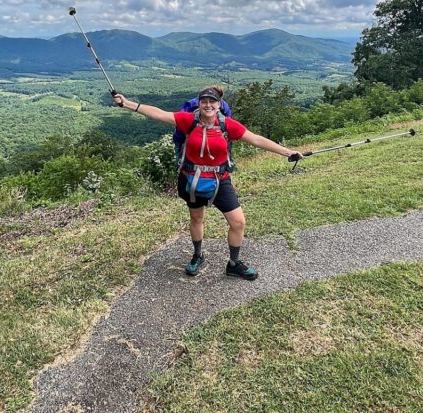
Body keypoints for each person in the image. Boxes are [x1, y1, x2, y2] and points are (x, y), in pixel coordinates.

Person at [112, 85, 302, 280]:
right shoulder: (188, 121)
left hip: (220, 181)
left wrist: (288, 152)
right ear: (199, 104)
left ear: (219, 105)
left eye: (212, 102)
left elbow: (256, 139)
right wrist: (127, 103)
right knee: (197, 219)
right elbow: (158, 114)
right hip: (192, 180)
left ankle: (234, 264)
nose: (208, 105)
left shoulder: (228, 125)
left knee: (238, 222)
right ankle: (197, 255)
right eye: (204, 102)